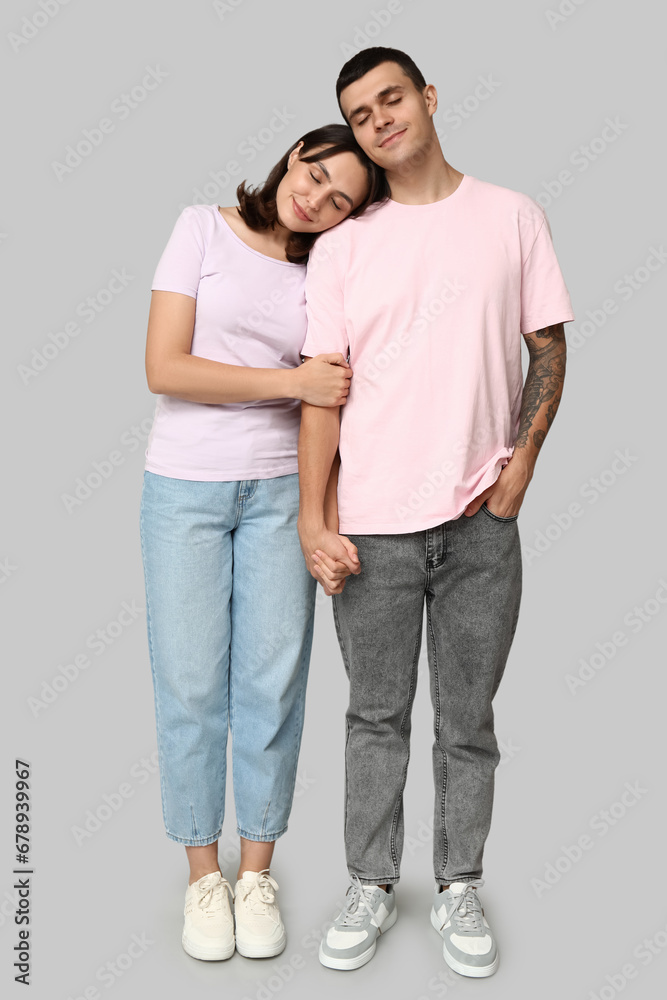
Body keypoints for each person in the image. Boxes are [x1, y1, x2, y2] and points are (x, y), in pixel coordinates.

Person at [297, 48, 574, 977]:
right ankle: (370, 883)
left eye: (389, 98)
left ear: (426, 97)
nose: (377, 119)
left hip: (479, 520)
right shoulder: (341, 247)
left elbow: (547, 344)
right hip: (371, 524)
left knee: (468, 715)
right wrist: (316, 516)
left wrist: (520, 468)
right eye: (358, 112)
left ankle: (458, 885)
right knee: (373, 715)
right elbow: (321, 395)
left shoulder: (512, 215)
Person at [139, 124, 387, 964]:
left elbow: (345, 385)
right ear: (291, 156)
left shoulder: (329, 268)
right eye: (312, 172)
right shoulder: (200, 229)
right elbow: (165, 368)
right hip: (185, 490)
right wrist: (290, 382)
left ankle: (256, 874)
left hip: (286, 492)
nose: (312, 196)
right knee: (190, 683)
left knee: (272, 686)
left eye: (337, 198)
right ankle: (201, 876)